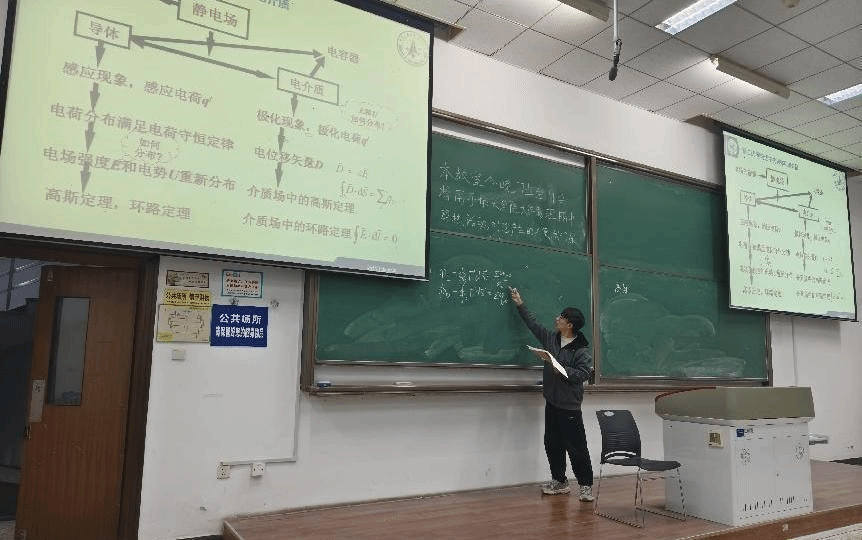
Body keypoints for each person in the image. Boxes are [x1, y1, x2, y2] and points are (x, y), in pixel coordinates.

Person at [509, 286, 594, 501]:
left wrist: (562, 370)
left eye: (561, 317)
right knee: (552, 443)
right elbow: (533, 324)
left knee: (576, 447)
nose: (557, 319)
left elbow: (584, 374)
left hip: (569, 405)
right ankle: (559, 481)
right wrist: (520, 304)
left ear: (570, 324)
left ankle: (585, 485)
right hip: (552, 402)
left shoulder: (580, 350)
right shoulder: (551, 339)